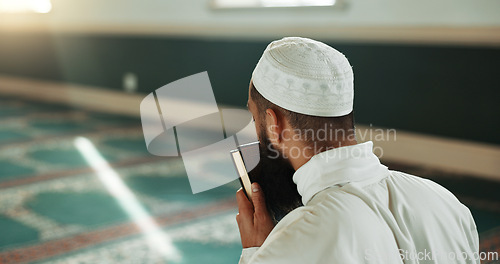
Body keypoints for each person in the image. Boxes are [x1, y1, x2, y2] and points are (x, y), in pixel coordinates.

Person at [235, 37, 479, 264]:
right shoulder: (446, 203)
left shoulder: (294, 241)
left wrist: (258, 252)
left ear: (273, 125)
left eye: (255, 120)